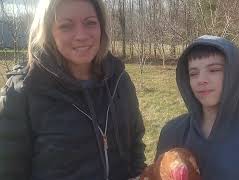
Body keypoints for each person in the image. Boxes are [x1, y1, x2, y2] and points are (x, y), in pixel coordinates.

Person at [0, 0, 146, 179]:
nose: (81, 35)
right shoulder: (22, 92)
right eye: (66, 26)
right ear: (48, 32)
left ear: (101, 27)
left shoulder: (118, 80)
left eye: (90, 23)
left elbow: (135, 144)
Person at [155, 35, 239, 180]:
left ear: (233, 75)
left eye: (214, 70)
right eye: (193, 73)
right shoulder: (172, 133)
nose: (201, 80)